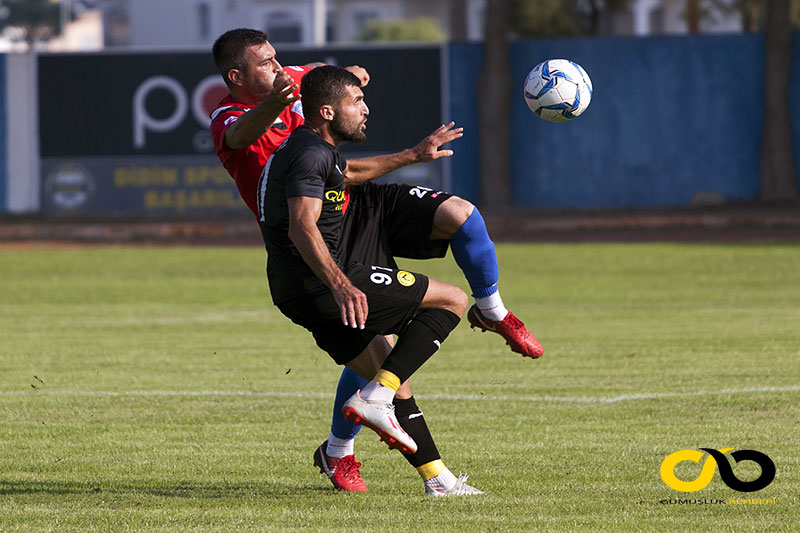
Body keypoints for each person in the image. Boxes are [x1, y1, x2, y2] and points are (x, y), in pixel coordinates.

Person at [209, 28, 538, 495]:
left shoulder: (299, 86)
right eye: (265, 63)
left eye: (276, 58)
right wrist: (280, 102)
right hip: (318, 235)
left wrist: (353, 83)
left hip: (349, 203)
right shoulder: (236, 118)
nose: (278, 67)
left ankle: (494, 311)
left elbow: (335, 89)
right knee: (385, 351)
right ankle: (370, 455)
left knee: (461, 215)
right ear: (236, 76)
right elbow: (244, 138)